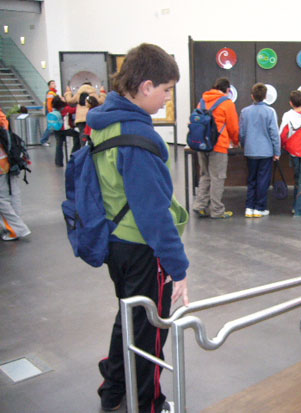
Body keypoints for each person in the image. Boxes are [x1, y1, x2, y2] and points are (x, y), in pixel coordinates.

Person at [85, 43, 189, 413]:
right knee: (151, 331)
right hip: (144, 248)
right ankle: (149, 402)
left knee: (129, 319)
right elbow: (154, 214)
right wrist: (178, 269)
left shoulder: (102, 121)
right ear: (146, 86)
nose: (166, 99)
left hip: (115, 241)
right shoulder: (141, 139)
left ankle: (113, 388)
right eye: (166, 90)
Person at [191, 77, 239, 219]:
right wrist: (235, 141)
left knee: (205, 174)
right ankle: (217, 210)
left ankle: (199, 206)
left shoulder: (203, 100)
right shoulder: (227, 103)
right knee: (218, 177)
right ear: (228, 90)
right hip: (218, 145)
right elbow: (233, 127)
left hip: (201, 143)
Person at [240, 83, 280, 218]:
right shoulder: (270, 112)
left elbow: (242, 133)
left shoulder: (245, 112)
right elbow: (274, 133)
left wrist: (244, 145)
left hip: (250, 151)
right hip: (266, 152)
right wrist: (277, 152)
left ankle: (249, 207)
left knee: (251, 179)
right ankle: (259, 208)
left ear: (252, 96)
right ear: (265, 96)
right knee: (263, 180)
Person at [0, 120, 31, 241]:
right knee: (11, 195)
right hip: (7, 161)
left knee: (2, 200)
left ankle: (15, 229)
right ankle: (15, 223)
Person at [64, 81, 107, 147]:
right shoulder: (93, 92)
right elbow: (101, 101)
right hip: (90, 116)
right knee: (91, 133)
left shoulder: (79, 93)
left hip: (80, 118)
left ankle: (83, 148)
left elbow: (70, 100)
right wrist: (102, 92)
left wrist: (68, 92)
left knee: (82, 133)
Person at [51, 96, 79, 167]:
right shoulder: (66, 108)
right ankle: (73, 153)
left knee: (59, 145)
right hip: (65, 129)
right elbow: (74, 110)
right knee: (77, 136)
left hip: (56, 129)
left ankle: (58, 162)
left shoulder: (54, 109)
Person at [39, 80, 59, 146]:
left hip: (52, 111)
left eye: (54, 83)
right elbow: (49, 104)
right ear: (49, 86)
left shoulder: (53, 92)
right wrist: (51, 112)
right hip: (52, 112)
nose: (54, 84)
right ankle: (43, 140)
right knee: (50, 127)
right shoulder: (51, 93)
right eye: (52, 83)